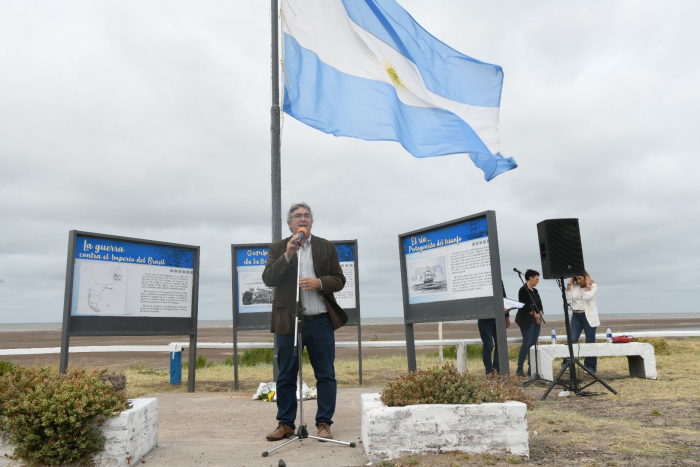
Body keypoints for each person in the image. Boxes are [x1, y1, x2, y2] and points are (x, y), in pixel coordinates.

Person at [262, 202, 347, 442]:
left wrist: (319, 283)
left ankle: (324, 423)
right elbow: (268, 278)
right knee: (286, 375)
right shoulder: (278, 247)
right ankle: (286, 423)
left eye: (306, 216)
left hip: (320, 321)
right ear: (290, 223)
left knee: (326, 375)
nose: (303, 219)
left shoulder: (326, 247)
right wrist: (288, 254)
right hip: (289, 322)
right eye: (297, 216)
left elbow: (339, 280)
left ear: (311, 222)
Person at [566, 272, 599, 373]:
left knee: (590, 341)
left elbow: (587, 297)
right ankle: (567, 363)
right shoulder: (575, 286)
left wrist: (588, 285)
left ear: (586, 277)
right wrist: (569, 284)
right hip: (576, 315)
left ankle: (590, 366)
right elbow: (568, 297)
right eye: (576, 279)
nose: (578, 281)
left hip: (588, 316)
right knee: (572, 339)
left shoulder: (594, 286)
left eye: (580, 278)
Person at [514, 269, 543, 377]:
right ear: (531, 278)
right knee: (527, 343)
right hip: (526, 320)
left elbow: (540, 305)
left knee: (533, 344)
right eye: (537, 279)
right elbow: (525, 306)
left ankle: (532, 367)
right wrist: (535, 315)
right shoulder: (523, 290)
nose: (538, 281)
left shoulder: (535, 291)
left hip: (536, 321)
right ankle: (520, 367)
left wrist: (540, 314)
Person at [477, 282, 510, 375]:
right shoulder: (481, 279)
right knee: (488, 346)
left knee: (499, 344)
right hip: (485, 319)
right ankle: (489, 370)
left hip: (498, 319)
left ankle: (497, 368)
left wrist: (506, 316)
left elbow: (504, 297)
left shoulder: (498, 278)